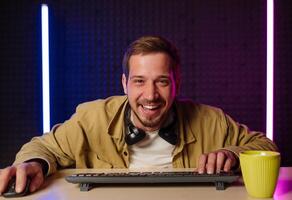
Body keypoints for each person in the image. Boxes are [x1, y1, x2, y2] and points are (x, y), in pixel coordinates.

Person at [0, 36, 278, 195]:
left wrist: (231, 152)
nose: (150, 95)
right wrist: (34, 163)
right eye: (139, 81)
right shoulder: (91, 118)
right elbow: (42, 147)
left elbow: (266, 146)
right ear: (124, 84)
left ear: (177, 83)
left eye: (162, 81)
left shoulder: (211, 120)